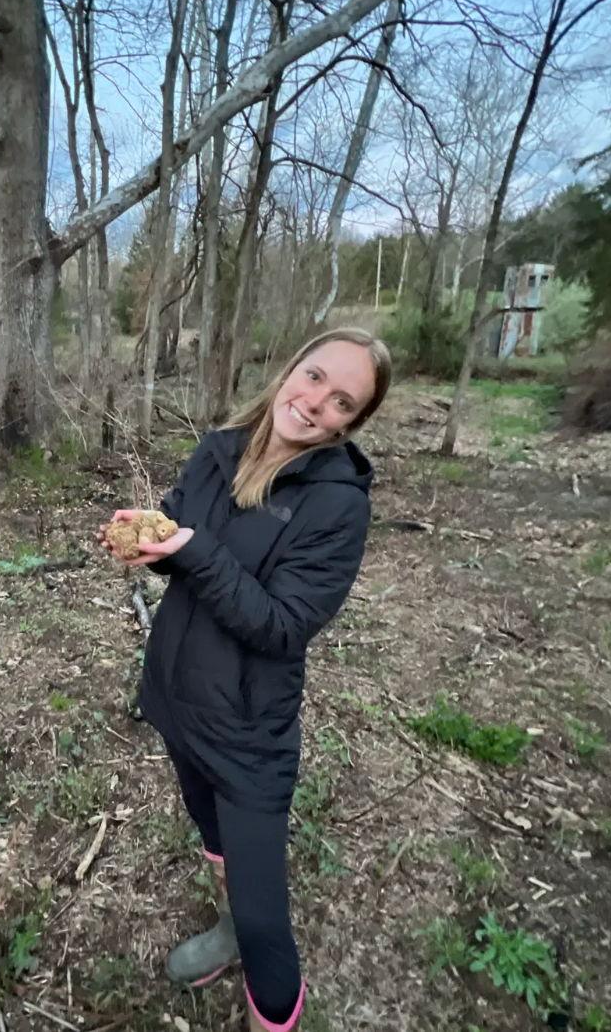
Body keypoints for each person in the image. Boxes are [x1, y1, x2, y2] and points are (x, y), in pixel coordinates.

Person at [98, 328, 391, 1032]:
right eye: (315, 377)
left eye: (342, 400)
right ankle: (225, 930)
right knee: (211, 834)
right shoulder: (221, 446)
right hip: (175, 698)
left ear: (352, 421)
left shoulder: (337, 503)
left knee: (268, 930)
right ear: (292, 365)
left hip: (248, 731)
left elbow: (283, 625)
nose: (318, 402)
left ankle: (260, 974)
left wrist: (192, 554)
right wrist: (152, 541)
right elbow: (183, 534)